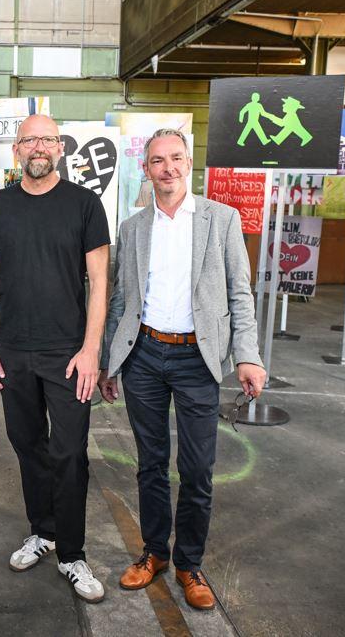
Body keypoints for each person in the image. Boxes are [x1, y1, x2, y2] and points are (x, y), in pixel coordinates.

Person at [98, 128, 267, 610]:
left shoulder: (221, 219)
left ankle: (190, 564)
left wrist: (248, 355)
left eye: (175, 158)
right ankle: (154, 553)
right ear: (146, 169)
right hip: (145, 356)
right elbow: (120, 301)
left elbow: (240, 294)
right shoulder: (132, 228)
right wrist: (112, 360)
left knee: (196, 469)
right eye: (157, 161)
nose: (167, 168)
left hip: (199, 359)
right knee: (151, 463)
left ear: (188, 163)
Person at [0, 114, 110, 604]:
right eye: (29, 140)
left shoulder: (84, 204)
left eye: (47, 139)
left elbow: (99, 282)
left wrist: (91, 348)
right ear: (16, 149)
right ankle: (43, 531)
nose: (38, 147)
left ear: (59, 147)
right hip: (12, 349)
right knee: (27, 444)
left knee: (70, 452)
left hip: (68, 352)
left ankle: (72, 554)